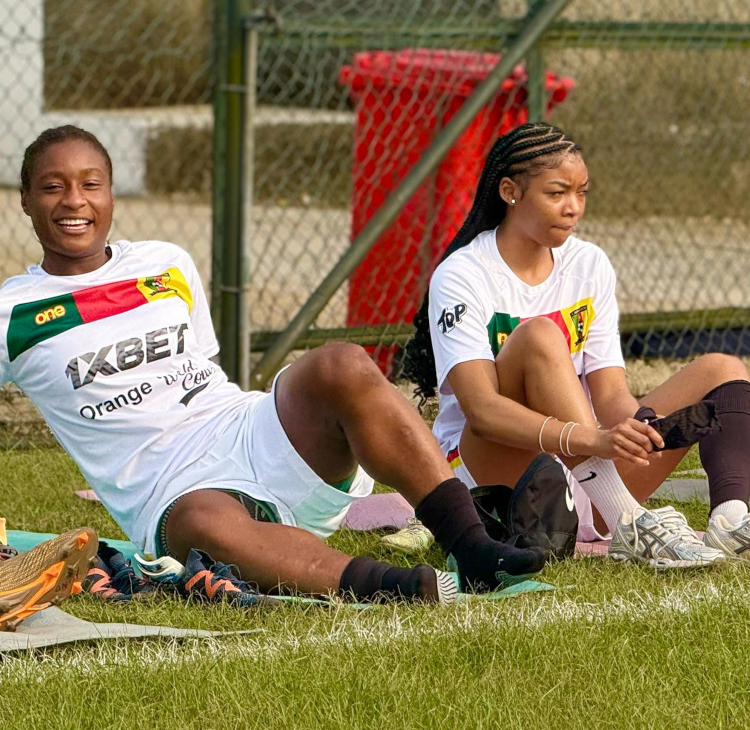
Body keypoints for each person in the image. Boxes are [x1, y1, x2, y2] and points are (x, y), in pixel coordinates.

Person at [0, 125, 547, 607]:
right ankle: (401, 587)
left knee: (342, 362)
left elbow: (204, 368)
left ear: (111, 193)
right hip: (169, 491)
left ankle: (473, 547)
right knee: (202, 523)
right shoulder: (13, 312)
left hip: (248, 429)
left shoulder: (165, 262)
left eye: (90, 184)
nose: (75, 201)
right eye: (53, 186)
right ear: (24, 199)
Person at [403, 121, 750, 566]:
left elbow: (609, 395)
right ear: (510, 192)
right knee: (542, 334)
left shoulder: (589, 263)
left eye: (582, 193)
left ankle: (730, 520)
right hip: (490, 474)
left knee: (723, 369)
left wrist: (639, 428)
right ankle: (629, 522)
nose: (573, 208)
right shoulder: (462, 275)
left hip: (586, 464)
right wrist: (594, 439)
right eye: (557, 193)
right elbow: (483, 412)